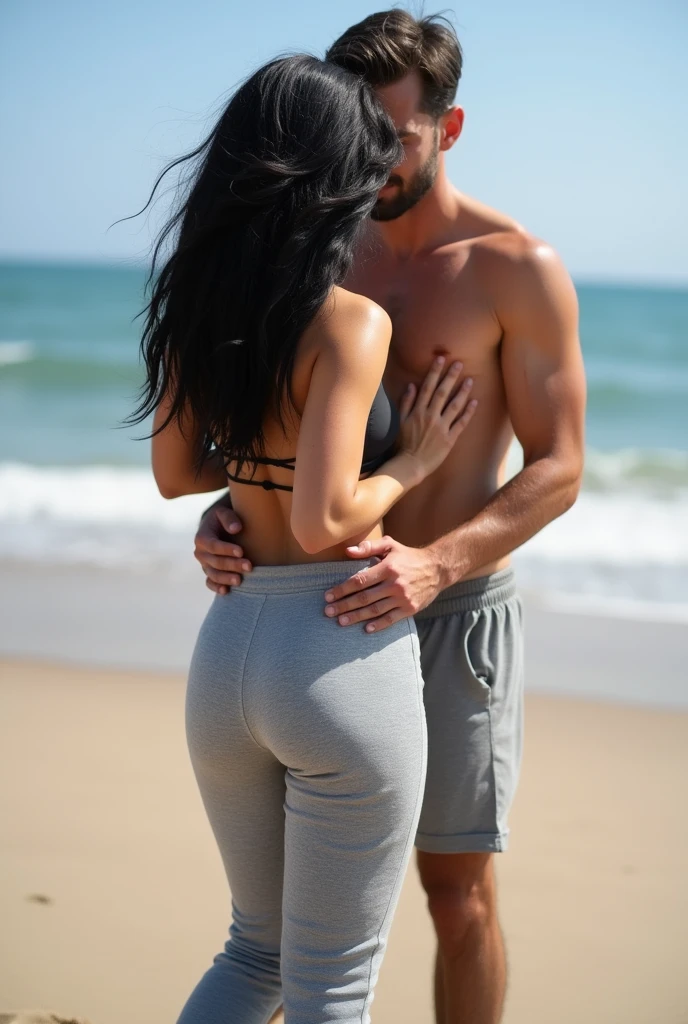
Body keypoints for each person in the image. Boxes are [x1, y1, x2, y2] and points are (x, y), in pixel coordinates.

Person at [194, 11, 587, 1024]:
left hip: (449, 617)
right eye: (352, 128)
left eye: (393, 134)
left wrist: (436, 565)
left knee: (454, 894)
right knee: (289, 933)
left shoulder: (514, 266)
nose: (366, 154)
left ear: (447, 129)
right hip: (316, 617)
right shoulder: (319, 254)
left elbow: (560, 466)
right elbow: (261, 432)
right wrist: (228, 517)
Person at [132, 53, 478, 1024]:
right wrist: (415, 459)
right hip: (335, 658)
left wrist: (251, 478)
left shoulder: (197, 304)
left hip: (228, 654)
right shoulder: (350, 323)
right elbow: (331, 517)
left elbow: (175, 473)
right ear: (332, 175)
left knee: (254, 954)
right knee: (334, 983)